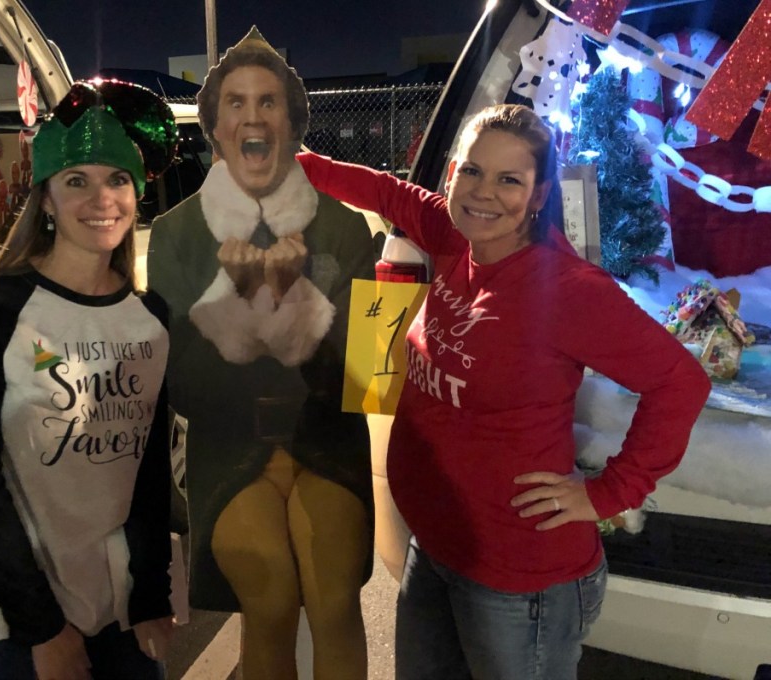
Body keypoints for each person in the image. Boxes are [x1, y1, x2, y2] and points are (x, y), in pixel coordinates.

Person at [297, 103, 711, 680]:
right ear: (451, 175)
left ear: (539, 195)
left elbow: (681, 383)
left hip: (517, 579)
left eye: (508, 179)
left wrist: (608, 493)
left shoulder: (566, 291)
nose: (483, 191)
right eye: (471, 171)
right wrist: (294, 163)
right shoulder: (451, 235)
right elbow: (387, 194)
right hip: (434, 546)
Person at [148, 27, 377, 680]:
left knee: (334, 603)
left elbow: (367, 380)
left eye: (269, 102)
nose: (253, 116)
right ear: (216, 126)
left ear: (293, 122)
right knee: (270, 600)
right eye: (238, 103)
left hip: (325, 441)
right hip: (228, 449)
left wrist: (296, 302)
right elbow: (181, 382)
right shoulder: (175, 234)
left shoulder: (343, 226)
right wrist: (242, 301)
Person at [0, 79, 179, 680]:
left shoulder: (150, 321)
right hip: (8, 604)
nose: (103, 199)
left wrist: (150, 595)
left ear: (138, 190)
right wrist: (42, 628)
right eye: (78, 181)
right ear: (45, 198)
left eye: (117, 179)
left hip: (110, 589)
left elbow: (147, 468)